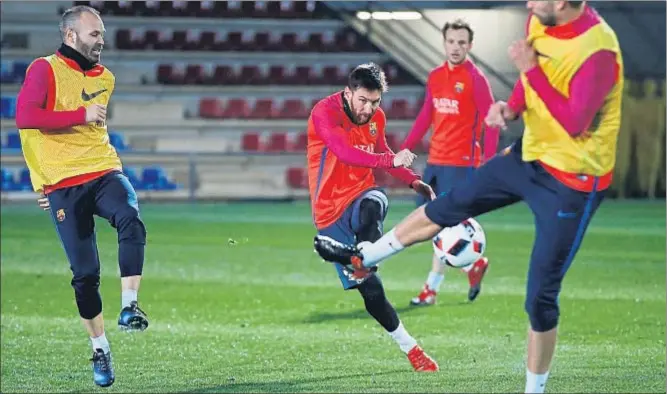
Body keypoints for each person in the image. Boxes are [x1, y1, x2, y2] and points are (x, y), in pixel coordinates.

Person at [313, 2, 622, 392]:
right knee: (440, 211)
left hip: (572, 180)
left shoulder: (599, 51)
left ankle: (533, 389)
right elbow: (519, 89)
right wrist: (511, 110)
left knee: (540, 298)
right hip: (528, 155)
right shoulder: (539, 21)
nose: (528, 4)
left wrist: (528, 71)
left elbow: (576, 122)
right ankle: (364, 257)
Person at [16, 5, 149, 388]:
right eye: (94, 34)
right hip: (62, 184)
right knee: (86, 275)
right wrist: (41, 180)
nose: (101, 40)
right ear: (71, 35)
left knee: (130, 216)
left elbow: (94, 128)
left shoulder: (105, 77)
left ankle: (129, 307)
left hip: (103, 169)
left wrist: (87, 117)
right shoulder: (44, 69)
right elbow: (26, 118)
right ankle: (100, 348)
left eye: (102, 33)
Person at [307, 62, 439, 372]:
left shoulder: (377, 117)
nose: (369, 108)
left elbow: (381, 150)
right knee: (372, 292)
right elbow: (345, 152)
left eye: (375, 102)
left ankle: (361, 260)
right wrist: (391, 158)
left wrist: (412, 180)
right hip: (329, 210)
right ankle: (411, 348)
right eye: (363, 100)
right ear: (349, 92)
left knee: (374, 206)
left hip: (360, 193)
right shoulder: (325, 113)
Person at [400, 19, 500, 306]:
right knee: (428, 223)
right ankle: (472, 266)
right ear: (444, 43)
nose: (456, 47)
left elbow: (491, 123)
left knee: (438, 221)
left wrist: (489, 162)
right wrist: (407, 149)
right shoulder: (435, 76)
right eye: (451, 41)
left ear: (470, 45)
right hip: (435, 162)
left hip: (462, 164)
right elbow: (425, 117)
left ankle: (431, 289)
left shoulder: (476, 79)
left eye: (461, 42)